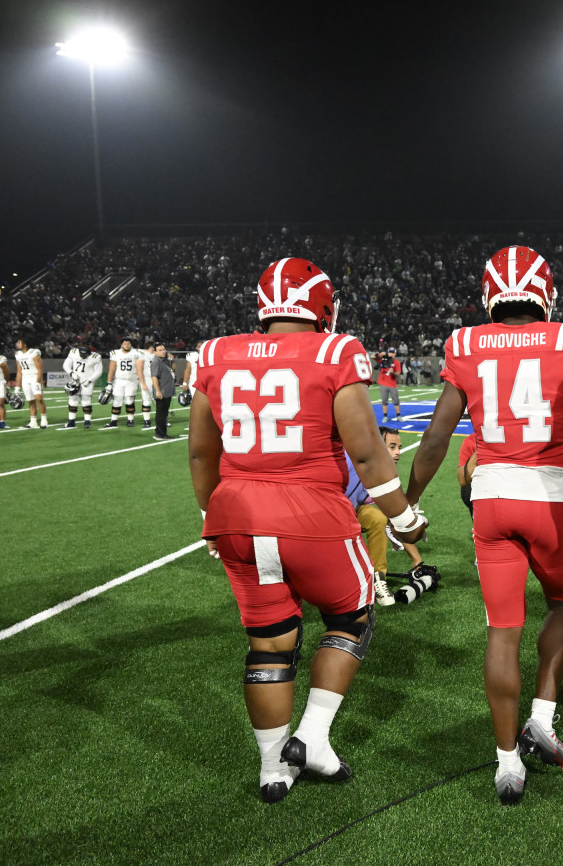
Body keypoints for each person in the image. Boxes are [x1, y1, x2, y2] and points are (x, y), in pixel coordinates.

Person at [187, 257, 427, 803]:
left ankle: (273, 769)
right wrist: (405, 516)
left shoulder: (215, 353)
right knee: (354, 614)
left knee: (268, 645)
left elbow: (203, 451)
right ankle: (314, 736)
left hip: (236, 515)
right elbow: (366, 452)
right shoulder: (334, 351)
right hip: (310, 512)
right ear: (323, 307)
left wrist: (211, 515)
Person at [406, 245, 563, 806]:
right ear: (544, 292)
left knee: (502, 630)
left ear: (492, 293)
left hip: (491, 497)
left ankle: (507, 765)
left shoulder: (465, 344)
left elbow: (439, 436)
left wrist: (407, 504)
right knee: (562, 605)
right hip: (546, 495)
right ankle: (541, 715)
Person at [344, 426, 425, 606]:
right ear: (376, 445)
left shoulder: (384, 473)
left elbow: (395, 516)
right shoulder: (348, 460)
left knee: (377, 518)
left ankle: (378, 579)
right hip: (327, 515)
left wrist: (417, 560)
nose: (398, 452)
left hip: (351, 512)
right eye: (392, 446)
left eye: (399, 447)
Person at [62, 344, 103, 429]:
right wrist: (71, 373)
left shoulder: (95, 357)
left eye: (85, 355)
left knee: (86, 401)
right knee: (72, 400)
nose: (83, 357)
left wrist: (89, 380)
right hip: (75, 380)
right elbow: (66, 365)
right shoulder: (73, 353)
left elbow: (98, 371)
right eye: (81, 355)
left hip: (87, 381)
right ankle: (71, 421)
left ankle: (87, 421)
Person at [104, 338, 141, 428]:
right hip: (119, 380)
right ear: (121, 345)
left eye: (128, 344)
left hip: (132, 380)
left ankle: (130, 420)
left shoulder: (136, 353)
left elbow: (140, 368)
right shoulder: (115, 353)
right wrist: (109, 383)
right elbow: (112, 369)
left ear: (131, 345)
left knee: (129, 401)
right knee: (116, 401)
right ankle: (114, 420)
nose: (127, 345)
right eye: (125, 344)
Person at [15, 338, 48, 429]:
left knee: (39, 399)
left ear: (25, 344)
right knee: (30, 400)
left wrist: (38, 380)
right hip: (25, 378)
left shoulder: (33, 353)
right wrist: (17, 386)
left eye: (19, 342)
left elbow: (40, 368)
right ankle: (33, 422)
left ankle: (44, 419)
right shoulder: (18, 354)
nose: (17, 344)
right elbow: (19, 371)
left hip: (34, 377)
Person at [149, 344, 177, 439]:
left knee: (164, 413)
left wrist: (172, 360)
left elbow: (173, 370)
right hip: (162, 391)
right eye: (160, 350)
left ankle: (162, 433)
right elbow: (154, 377)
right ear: (155, 352)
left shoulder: (165, 360)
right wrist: (158, 391)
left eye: (164, 349)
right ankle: (159, 434)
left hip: (167, 391)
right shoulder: (156, 362)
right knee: (161, 413)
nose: (163, 351)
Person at [376, 351, 402, 421]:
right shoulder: (383, 360)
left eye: (393, 353)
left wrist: (392, 372)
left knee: (396, 401)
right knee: (384, 401)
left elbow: (398, 374)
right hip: (383, 383)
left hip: (392, 384)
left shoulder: (397, 362)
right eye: (390, 352)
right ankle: (385, 416)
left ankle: (398, 416)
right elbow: (373, 357)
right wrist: (381, 354)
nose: (391, 354)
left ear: (395, 354)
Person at [136, 341, 156, 429]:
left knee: (160, 401)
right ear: (151, 347)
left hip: (157, 379)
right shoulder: (142, 355)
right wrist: (143, 383)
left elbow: (171, 357)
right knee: (146, 400)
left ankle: (163, 419)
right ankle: (147, 420)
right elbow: (139, 370)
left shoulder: (157, 354)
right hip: (147, 379)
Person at [0, 347, 10, 429]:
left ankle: (2, 421)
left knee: (0, 402)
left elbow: (6, 371)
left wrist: (5, 381)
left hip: (0, 382)